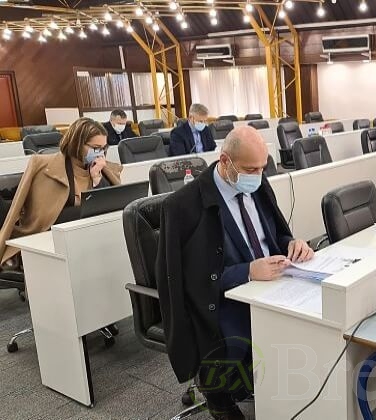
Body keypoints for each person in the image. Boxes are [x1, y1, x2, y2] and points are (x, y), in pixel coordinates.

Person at [156, 126, 314, 420]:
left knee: (310, 324)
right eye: (250, 169)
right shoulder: (183, 207)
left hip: (271, 286)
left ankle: (281, 391)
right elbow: (188, 281)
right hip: (221, 302)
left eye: (262, 168)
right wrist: (247, 272)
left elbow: (275, 235)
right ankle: (218, 396)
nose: (258, 175)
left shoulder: (258, 185)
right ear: (225, 161)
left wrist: (292, 243)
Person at [0, 117, 122, 266]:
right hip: (50, 237)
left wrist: (97, 179)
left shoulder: (101, 168)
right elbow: (42, 216)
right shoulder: (46, 167)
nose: (100, 153)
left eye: (103, 148)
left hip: (86, 239)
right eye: (96, 148)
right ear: (77, 143)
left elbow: (107, 206)